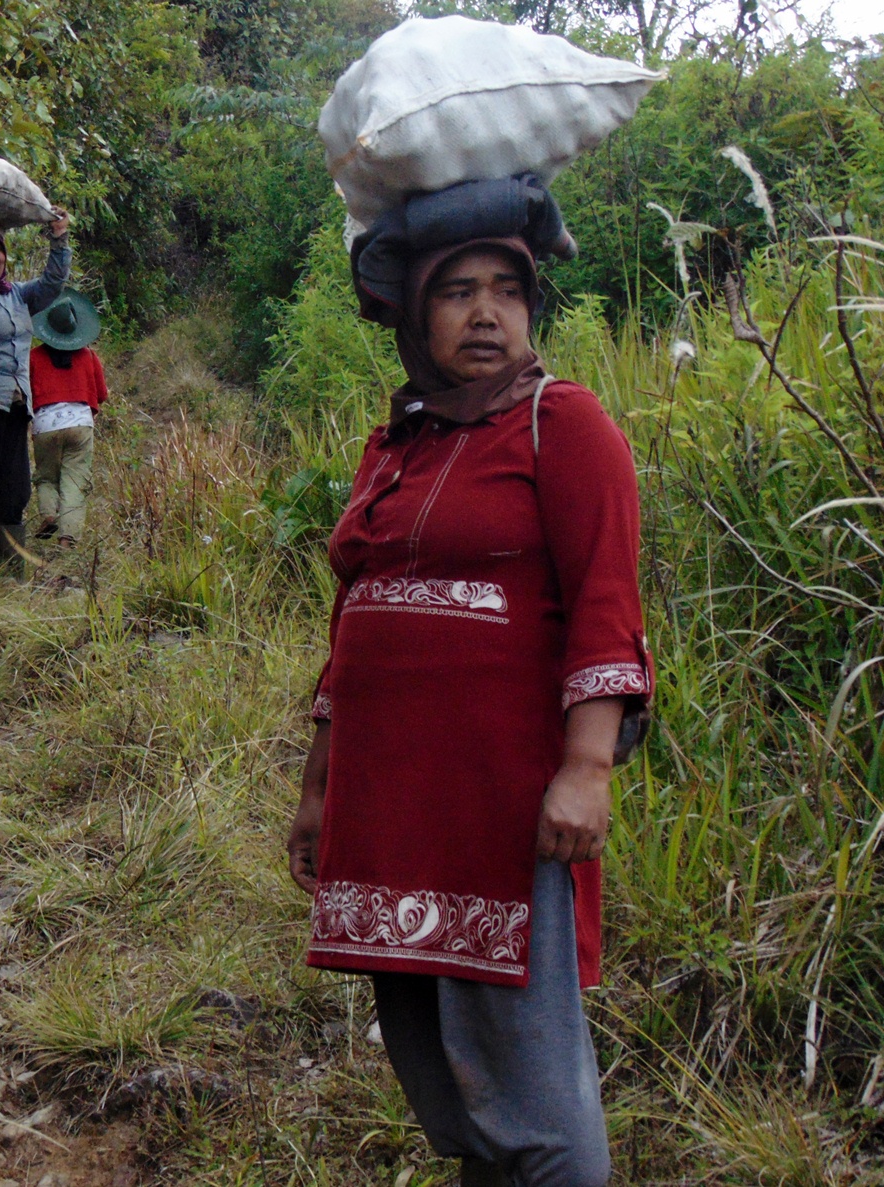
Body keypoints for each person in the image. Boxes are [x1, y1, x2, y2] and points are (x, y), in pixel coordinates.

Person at [285, 202, 651, 1186]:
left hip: (501, 811)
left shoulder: (561, 423)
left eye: (507, 290)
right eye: (457, 290)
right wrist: (320, 789)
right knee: (452, 1093)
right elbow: (349, 625)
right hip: (388, 806)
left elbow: (607, 603)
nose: (487, 312)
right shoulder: (395, 447)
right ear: (414, 315)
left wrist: (586, 766)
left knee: (540, 1106)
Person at [0, 212, 71, 577]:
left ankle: (11, 577)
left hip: (18, 404)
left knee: (15, 487)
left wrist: (59, 240)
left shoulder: (17, 294)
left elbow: (53, 283)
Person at [28, 289, 108, 545]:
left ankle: (49, 514)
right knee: (75, 480)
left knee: (47, 476)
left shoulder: (33, 358)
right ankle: (68, 538)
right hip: (80, 424)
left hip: (45, 424)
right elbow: (102, 394)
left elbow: (25, 393)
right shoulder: (88, 356)